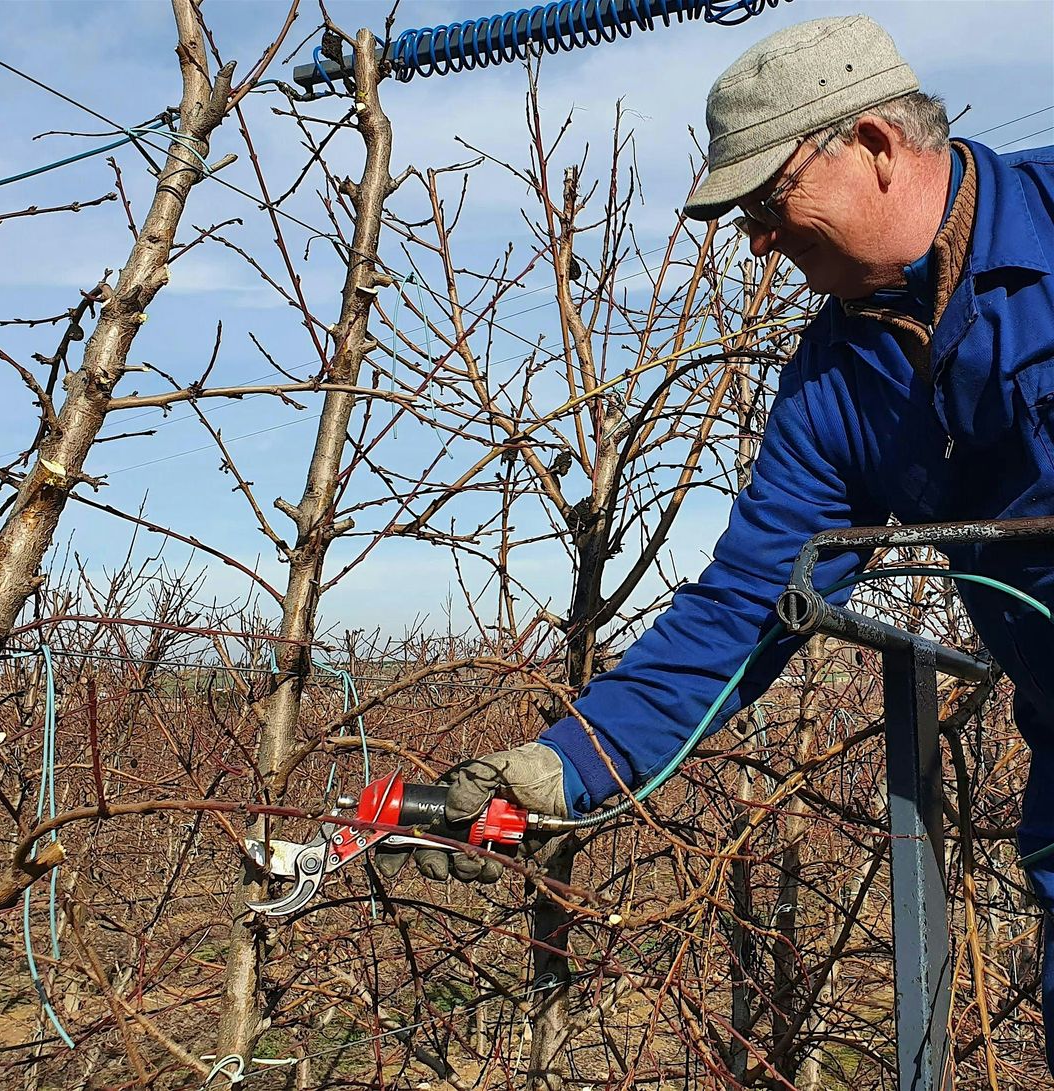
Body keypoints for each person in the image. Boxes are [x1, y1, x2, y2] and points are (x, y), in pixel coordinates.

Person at [377, 13, 1054, 1068]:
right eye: (745, 219)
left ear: (875, 144)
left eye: (769, 203)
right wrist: (565, 765)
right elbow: (746, 603)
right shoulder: (834, 385)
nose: (759, 243)